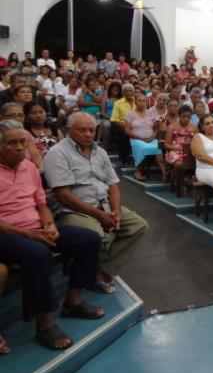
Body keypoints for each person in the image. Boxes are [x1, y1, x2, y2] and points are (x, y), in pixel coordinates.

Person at [0, 120, 104, 350]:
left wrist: (49, 224)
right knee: (37, 253)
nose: (19, 148)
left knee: (88, 239)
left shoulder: (29, 168)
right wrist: (30, 234)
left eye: (23, 143)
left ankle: (73, 302)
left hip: (36, 226)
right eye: (12, 143)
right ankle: (44, 325)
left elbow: (41, 203)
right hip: (6, 233)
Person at [45, 112, 149, 294]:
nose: (87, 134)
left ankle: (100, 269)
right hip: (73, 210)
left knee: (139, 226)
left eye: (91, 130)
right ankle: (91, 274)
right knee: (97, 237)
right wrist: (100, 215)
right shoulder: (58, 153)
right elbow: (63, 195)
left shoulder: (100, 151)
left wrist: (115, 212)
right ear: (69, 130)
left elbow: (113, 184)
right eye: (82, 130)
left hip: (104, 205)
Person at [124, 93, 166, 182]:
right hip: (136, 139)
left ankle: (164, 173)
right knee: (142, 147)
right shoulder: (130, 114)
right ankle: (137, 171)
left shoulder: (150, 112)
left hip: (150, 138)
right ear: (135, 102)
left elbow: (157, 127)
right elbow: (127, 131)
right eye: (139, 100)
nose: (142, 103)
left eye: (144, 101)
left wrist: (153, 136)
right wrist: (141, 138)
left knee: (158, 147)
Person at [0, 102, 44, 170]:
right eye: (12, 115)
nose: (17, 118)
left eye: (20, 115)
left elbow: (36, 156)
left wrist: (38, 172)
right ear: (1, 117)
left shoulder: (26, 134)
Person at [110, 83, 135, 166]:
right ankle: (123, 159)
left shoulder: (138, 102)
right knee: (124, 133)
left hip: (136, 126)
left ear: (133, 92)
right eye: (126, 91)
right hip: (121, 125)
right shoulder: (118, 103)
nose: (128, 93)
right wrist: (127, 126)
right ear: (123, 92)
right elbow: (114, 120)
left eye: (130, 91)